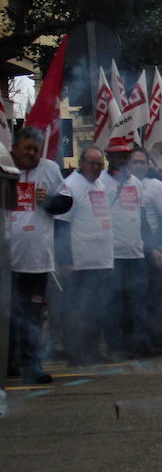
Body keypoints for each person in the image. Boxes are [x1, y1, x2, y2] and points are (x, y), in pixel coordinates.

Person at [5, 128, 73, 384]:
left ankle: (32, 366)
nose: (31, 153)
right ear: (14, 148)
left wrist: (48, 201)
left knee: (33, 316)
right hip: (6, 260)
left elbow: (66, 203)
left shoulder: (49, 169)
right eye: (27, 148)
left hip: (37, 260)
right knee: (8, 315)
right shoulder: (3, 168)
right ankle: (8, 363)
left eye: (35, 149)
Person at [55, 147, 117, 366]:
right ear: (81, 163)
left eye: (100, 164)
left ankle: (92, 350)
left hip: (99, 260)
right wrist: (65, 260)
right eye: (92, 163)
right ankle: (75, 352)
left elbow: (106, 222)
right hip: (79, 263)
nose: (96, 168)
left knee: (96, 309)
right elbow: (62, 225)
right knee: (76, 310)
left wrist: (108, 259)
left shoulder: (101, 185)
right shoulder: (70, 186)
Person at [105, 148, 159, 357]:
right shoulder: (102, 182)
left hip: (135, 252)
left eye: (125, 156)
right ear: (109, 157)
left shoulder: (136, 183)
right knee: (114, 302)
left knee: (138, 301)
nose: (123, 160)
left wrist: (151, 246)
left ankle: (140, 343)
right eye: (118, 156)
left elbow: (141, 217)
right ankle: (115, 346)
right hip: (113, 254)